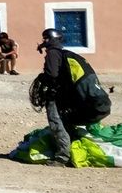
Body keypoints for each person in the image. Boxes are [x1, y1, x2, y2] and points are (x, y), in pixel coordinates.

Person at [30, 28, 111, 167]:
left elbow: (52, 74)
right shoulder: (64, 54)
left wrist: (44, 80)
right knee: (66, 122)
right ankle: (70, 150)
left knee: (57, 123)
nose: (44, 41)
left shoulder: (53, 53)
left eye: (45, 38)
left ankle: (62, 157)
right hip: (70, 97)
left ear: (50, 40)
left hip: (57, 96)